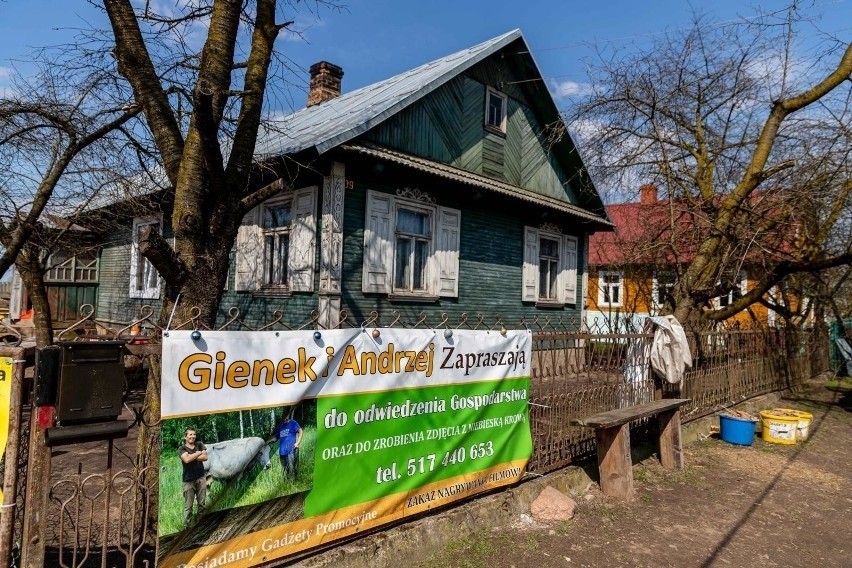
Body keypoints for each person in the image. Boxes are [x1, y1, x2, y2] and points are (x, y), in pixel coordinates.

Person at [179, 428, 207, 528]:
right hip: (188, 480)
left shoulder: (199, 444)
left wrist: (192, 456)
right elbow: (186, 460)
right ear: (185, 437)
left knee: (202, 504)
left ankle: (201, 525)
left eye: (194, 434)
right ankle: (188, 527)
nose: (192, 436)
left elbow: (205, 458)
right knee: (188, 506)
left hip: (201, 478)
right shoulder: (182, 448)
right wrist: (199, 453)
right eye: (190, 434)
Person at [273, 410, 303, 481]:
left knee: (292, 469)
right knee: (284, 470)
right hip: (282, 452)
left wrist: (297, 443)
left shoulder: (293, 423)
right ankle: (286, 485)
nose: (285, 418)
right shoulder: (280, 427)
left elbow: (301, 431)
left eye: (286, 416)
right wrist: (266, 442)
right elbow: (275, 438)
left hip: (291, 450)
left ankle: (293, 485)